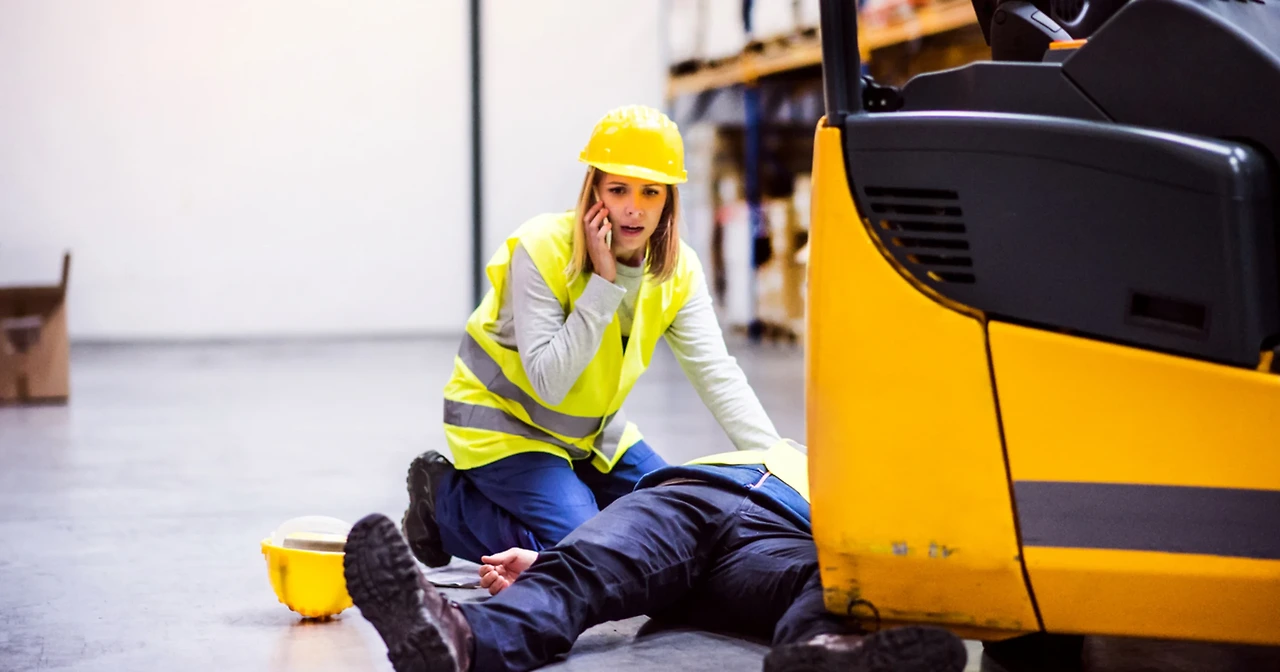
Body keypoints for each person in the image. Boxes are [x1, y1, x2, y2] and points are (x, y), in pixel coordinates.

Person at [406, 104, 785, 568]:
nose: (633, 208)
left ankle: (571, 498)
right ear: (594, 190)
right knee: (591, 554)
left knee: (679, 520)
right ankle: (445, 505)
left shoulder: (678, 269)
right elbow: (550, 382)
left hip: (590, 433)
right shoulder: (543, 247)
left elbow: (716, 373)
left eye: (650, 192)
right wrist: (603, 284)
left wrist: (779, 465)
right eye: (618, 189)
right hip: (503, 427)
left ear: (668, 200)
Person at [344, 440, 970, 672]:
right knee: (582, 568)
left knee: (829, 578)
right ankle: (458, 640)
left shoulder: (848, 466)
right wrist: (555, 557)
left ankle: (823, 652)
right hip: (691, 495)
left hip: (783, 531)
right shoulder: (778, 448)